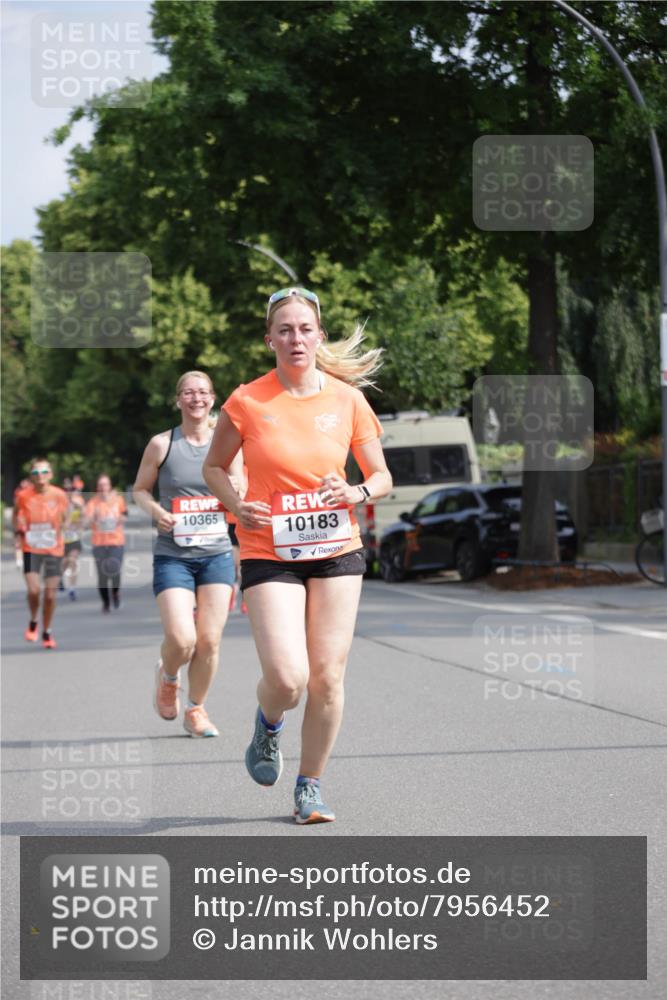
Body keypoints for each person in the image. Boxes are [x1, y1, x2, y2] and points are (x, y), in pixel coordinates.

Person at [203, 286, 392, 824]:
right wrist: (238, 503)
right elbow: (214, 469)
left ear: (319, 336)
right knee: (289, 678)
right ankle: (268, 723)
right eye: (284, 329)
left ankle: (309, 786)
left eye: (305, 329)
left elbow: (381, 477)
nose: (295, 338)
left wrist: (355, 493)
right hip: (270, 549)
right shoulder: (246, 401)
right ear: (270, 340)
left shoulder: (347, 400)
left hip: (336, 546)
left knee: (327, 678)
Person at [133, 371, 244, 739]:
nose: (196, 398)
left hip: (215, 553)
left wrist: (236, 493)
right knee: (183, 640)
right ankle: (167, 677)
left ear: (213, 399)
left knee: (209, 640)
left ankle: (196, 709)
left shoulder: (227, 443)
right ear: (178, 400)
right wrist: (157, 513)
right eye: (188, 392)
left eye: (202, 392)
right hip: (173, 555)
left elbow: (240, 485)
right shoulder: (161, 444)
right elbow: (140, 491)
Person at [13, 458, 68, 649]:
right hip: (31, 548)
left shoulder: (60, 495)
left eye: (44, 472)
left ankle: (47, 631)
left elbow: (67, 519)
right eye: (36, 473)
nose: (40, 477)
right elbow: (16, 517)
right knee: (34, 590)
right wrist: (18, 532)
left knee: (51, 595)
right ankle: (33, 620)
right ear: (31, 477)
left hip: (54, 549)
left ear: (51, 475)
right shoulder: (23, 496)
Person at [84, 475, 128, 613]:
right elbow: (86, 522)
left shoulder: (118, 500)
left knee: (114, 570)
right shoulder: (92, 502)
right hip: (99, 543)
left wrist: (119, 518)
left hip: (116, 541)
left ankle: (115, 593)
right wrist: (94, 517)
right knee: (102, 575)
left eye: (106, 485)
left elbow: (125, 515)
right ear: (98, 488)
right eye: (101, 485)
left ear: (109, 486)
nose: (103, 488)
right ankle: (106, 602)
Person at [62, 478, 85, 600]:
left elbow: (82, 521)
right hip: (61, 539)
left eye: (71, 489)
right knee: (64, 563)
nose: (68, 492)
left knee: (73, 561)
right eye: (66, 490)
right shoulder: (59, 507)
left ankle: (72, 588)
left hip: (74, 538)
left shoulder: (77, 505)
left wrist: (79, 526)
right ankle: (59, 578)